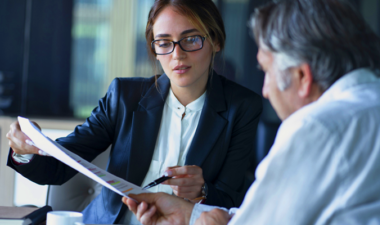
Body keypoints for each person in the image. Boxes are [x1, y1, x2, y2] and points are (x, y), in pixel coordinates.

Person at [121, 0, 380, 224]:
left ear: (303, 76)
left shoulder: (317, 127)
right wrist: (188, 215)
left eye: (266, 71)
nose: (265, 90)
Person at [6, 0, 262, 224]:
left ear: (215, 41)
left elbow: (233, 202)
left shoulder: (242, 107)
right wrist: (24, 149)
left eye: (191, 39)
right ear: (155, 49)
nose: (177, 55)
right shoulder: (124, 96)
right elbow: (58, 167)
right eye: (164, 43)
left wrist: (202, 191)